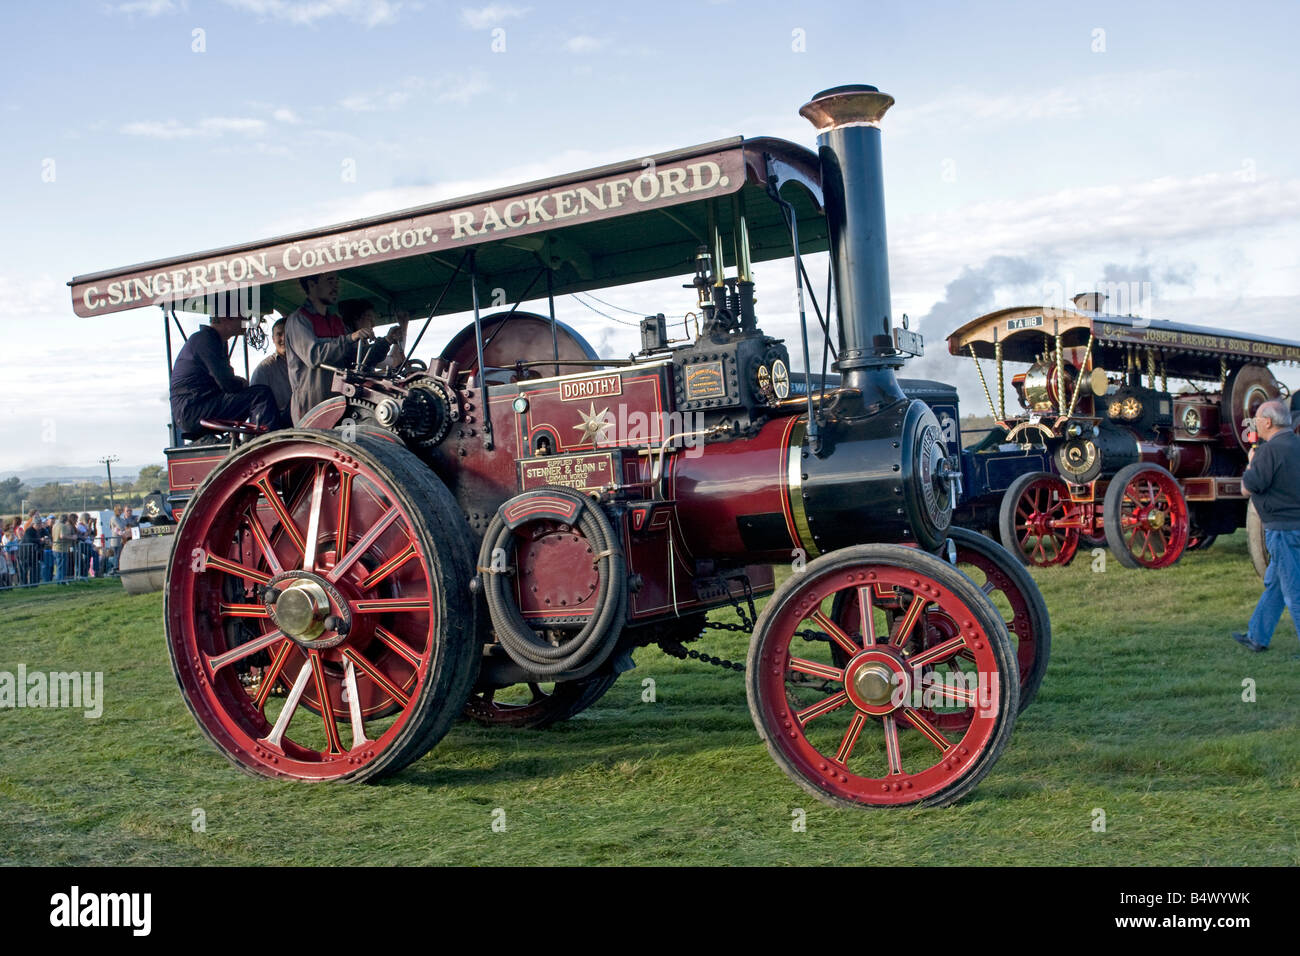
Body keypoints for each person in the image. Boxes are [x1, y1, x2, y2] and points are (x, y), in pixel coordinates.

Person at [1233, 399, 1300, 652]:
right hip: (1295, 525)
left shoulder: (1268, 451)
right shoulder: (1296, 444)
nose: (1256, 424)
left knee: (1294, 593)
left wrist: (1251, 460)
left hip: (1282, 530)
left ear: (1268, 422)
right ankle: (1257, 636)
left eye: (1258, 419)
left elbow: (1246, 488)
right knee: (1276, 584)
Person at [286, 272, 396, 423]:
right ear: (312, 285)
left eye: (337, 281)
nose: (336, 285)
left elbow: (359, 360)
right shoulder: (299, 320)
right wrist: (350, 338)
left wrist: (387, 341)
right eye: (330, 280)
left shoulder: (336, 321)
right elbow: (314, 356)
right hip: (311, 410)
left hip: (339, 405)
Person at [170, 294, 281, 439]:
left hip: (196, 407)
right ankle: (267, 443)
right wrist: (240, 383)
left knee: (255, 395)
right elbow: (227, 383)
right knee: (261, 395)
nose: (245, 321)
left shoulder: (214, 341)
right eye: (241, 317)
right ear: (224, 318)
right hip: (193, 410)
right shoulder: (205, 340)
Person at [339, 299, 409, 374]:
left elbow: (395, 361)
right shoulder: (346, 346)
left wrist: (403, 327)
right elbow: (394, 361)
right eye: (369, 318)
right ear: (356, 318)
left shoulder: (363, 345)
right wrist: (387, 341)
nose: (373, 324)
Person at [251, 317, 292, 425]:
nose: (283, 338)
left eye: (288, 334)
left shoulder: (307, 366)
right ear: (273, 339)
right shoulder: (263, 370)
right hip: (276, 425)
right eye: (279, 334)